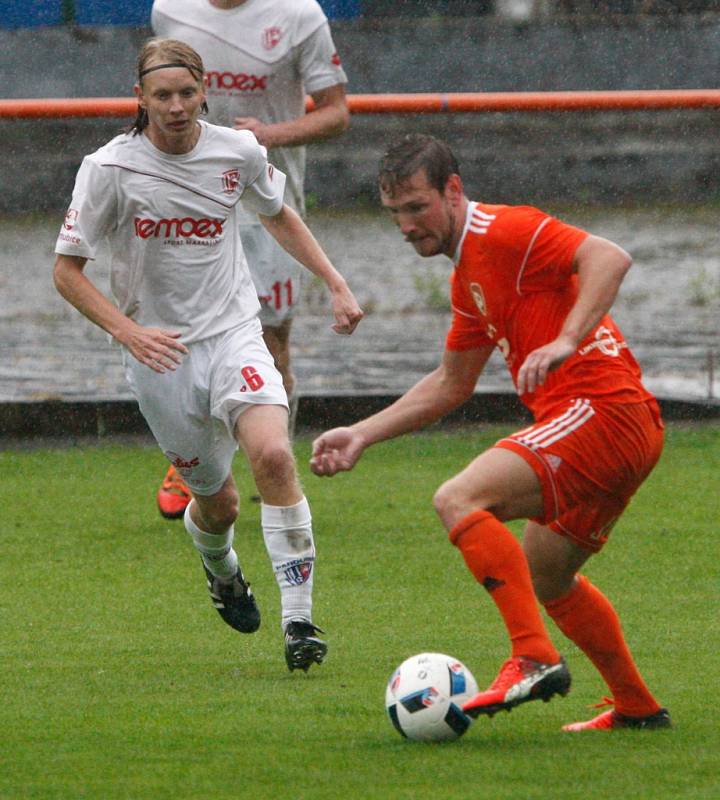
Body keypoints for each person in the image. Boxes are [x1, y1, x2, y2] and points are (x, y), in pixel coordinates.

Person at [310, 133, 671, 730]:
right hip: (623, 425)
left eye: (417, 207)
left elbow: (608, 256)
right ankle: (636, 706)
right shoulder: (467, 276)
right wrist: (362, 434)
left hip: (601, 410)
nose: (405, 225)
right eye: (394, 213)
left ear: (453, 190)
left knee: (458, 498)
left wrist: (566, 339)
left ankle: (532, 656)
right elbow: (452, 384)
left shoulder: (502, 231)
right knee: (548, 573)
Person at [53, 38, 363, 672]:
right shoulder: (109, 168)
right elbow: (66, 271)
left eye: (186, 94)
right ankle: (222, 570)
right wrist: (129, 332)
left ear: (203, 94)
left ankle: (299, 621)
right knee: (217, 504)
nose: (175, 107)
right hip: (160, 355)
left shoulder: (237, 150)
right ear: (139, 97)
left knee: (274, 455)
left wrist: (335, 280)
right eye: (162, 95)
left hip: (234, 334)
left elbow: (280, 214)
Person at [151, 0, 350, 520]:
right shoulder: (169, 11)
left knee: (269, 339)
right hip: (189, 197)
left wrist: (266, 136)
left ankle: (273, 463)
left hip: (268, 200)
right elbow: (159, 94)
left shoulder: (300, 15)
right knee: (185, 329)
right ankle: (194, 459)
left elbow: (336, 112)